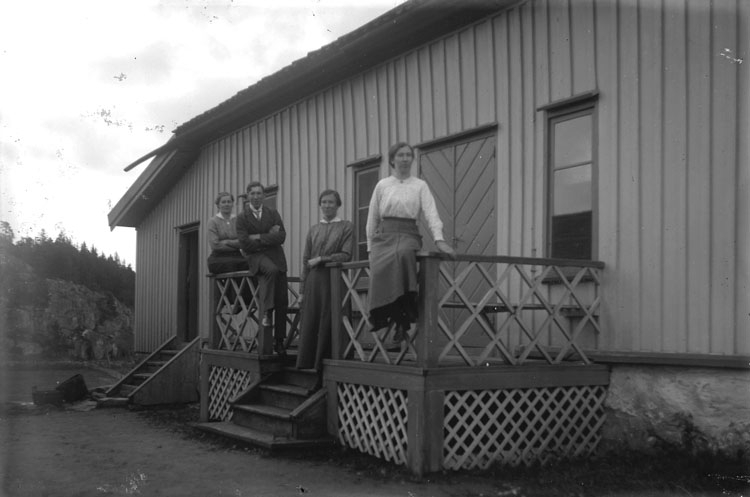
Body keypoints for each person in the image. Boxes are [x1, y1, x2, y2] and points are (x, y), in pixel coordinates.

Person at [366, 142, 455, 338]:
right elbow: (372, 217)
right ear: (392, 159)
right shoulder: (382, 185)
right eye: (400, 155)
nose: (405, 159)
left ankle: (402, 320)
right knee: (379, 267)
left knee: (403, 255)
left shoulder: (420, 185)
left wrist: (439, 239)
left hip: (408, 234)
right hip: (384, 235)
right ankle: (387, 316)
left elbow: (431, 213)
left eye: (408, 155)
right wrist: (370, 247)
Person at [296, 190, 353, 370]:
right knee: (312, 319)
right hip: (314, 282)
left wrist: (322, 259)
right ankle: (309, 363)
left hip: (333, 280)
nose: (327, 206)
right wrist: (301, 292)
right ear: (320, 205)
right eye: (324, 202)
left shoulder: (346, 226)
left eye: (331, 202)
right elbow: (306, 261)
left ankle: (330, 362)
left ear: (338, 205)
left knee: (330, 317)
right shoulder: (314, 229)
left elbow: (346, 255)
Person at [236, 181, 289, 355]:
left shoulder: (272, 213)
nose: (256, 197)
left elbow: (281, 236)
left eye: (259, 193)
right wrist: (268, 237)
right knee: (270, 271)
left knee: (282, 300)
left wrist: (257, 237)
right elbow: (244, 243)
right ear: (248, 196)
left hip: (277, 258)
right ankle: (267, 311)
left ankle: (279, 341)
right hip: (257, 258)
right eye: (253, 193)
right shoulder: (242, 218)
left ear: (264, 196)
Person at [206, 192, 246, 275]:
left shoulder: (239, 220)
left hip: (237, 256)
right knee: (231, 267)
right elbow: (215, 245)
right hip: (218, 258)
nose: (226, 204)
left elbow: (243, 241)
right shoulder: (213, 222)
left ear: (232, 204)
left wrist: (227, 242)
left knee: (251, 266)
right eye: (223, 202)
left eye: (229, 202)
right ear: (218, 205)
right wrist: (235, 244)